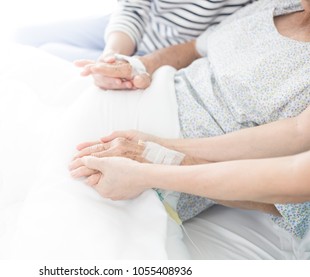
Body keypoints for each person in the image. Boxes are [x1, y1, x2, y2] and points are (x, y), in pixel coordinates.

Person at [67, 0, 310, 241]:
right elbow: (196, 47)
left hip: (160, 154)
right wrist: (136, 65)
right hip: (147, 94)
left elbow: (290, 195)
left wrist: (159, 157)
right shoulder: (280, 6)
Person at [15, 0, 254, 89]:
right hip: (128, 26)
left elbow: (212, 44)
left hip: (164, 54)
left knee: (45, 54)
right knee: (22, 36)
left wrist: (125, 63)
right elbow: (132, 7)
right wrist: (111, 54)